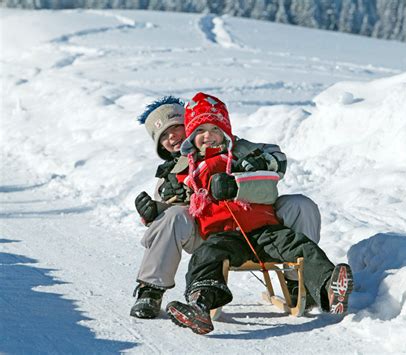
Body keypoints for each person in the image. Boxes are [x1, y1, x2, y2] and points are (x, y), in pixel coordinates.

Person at [165, 92, 353, 335]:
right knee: (207, 255)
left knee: (301, 246)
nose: (208, 136)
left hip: (265, 229)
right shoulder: (187, 169)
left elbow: (272, 172)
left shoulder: (245, 155)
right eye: (200, 131)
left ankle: (328, 288)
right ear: (191, 137)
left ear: (226, 131)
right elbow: (171, 199)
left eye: (215, 128)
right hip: (224, 235)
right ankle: (201, 303)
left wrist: (244, 176)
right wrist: (158, 203)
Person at [131, 96, 322, 319]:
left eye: (175, 128)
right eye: (163, 135)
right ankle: (151, 290)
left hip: (262, 227)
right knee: (173, 215)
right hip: (209, 236)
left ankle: (300, 281)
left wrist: (250, 168)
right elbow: (167, 223)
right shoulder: (169, 176)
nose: (171, 137)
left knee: (300, 204)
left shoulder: (239, 148)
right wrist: (153, 211)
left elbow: (277, 160)